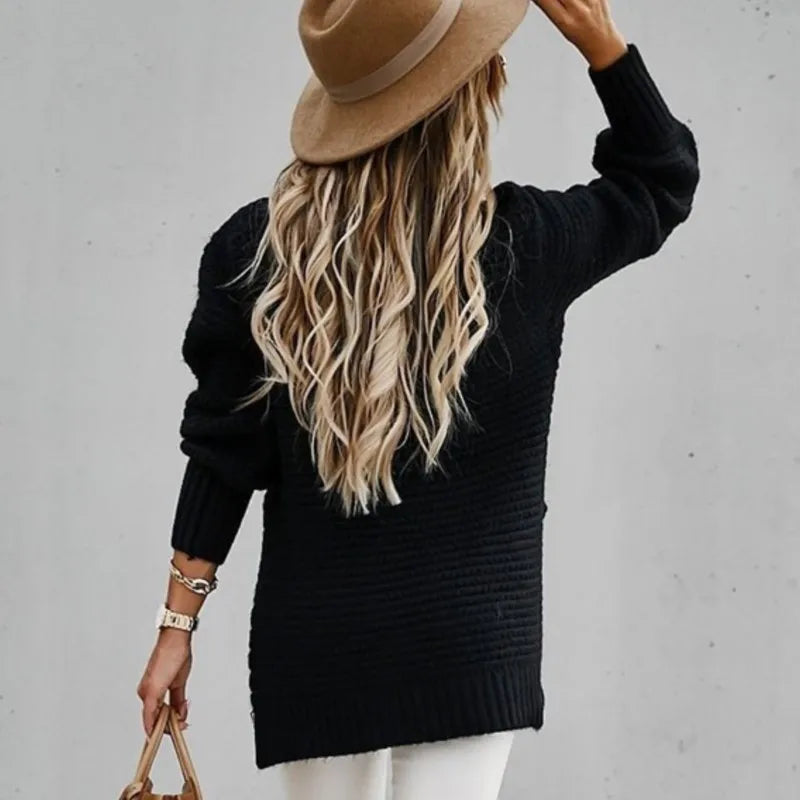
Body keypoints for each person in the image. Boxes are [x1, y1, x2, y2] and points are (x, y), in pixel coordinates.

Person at [136, 0, 701, 797]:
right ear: (470, 96)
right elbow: (660, 179)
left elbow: (222, 459)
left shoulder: (259, 254)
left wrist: (176, 629)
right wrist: (601, 44)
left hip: (319, 652)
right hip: (471, 648)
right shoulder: (528, 245)